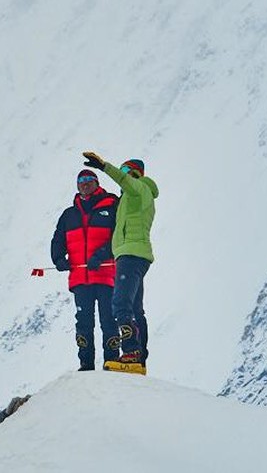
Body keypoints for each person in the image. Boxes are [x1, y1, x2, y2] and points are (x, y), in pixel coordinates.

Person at [82, 151, 158, 374]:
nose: (124, 175)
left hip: (131, 255)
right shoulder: (131, 197)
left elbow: (126, 181)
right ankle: (140, 358)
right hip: (133, 254)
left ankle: (132, 353)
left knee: (120, 303)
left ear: (136, 173)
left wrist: (105, 167)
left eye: (127, 171)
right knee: (135, 308)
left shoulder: (139, 189)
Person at [50, 169, 120, 371]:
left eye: (89, 180)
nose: (85, 183)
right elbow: (58, 240)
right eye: (81, 180)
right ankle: (86, 365)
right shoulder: (69, 215)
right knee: (83, 323)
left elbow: (119, 238)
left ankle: (112, 362)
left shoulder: (111, 206)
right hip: (80, 279)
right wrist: (58, 259)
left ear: (97, 183)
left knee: (109, 320)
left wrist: (101, 256)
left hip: (106, 276)